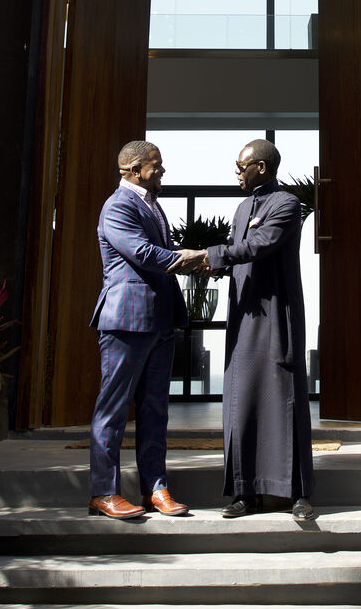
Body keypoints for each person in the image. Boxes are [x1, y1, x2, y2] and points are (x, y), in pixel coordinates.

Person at [177, 138, 314, 522]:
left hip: (275, 315)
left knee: (284, 399)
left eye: (241, 166)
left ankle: (298, 493)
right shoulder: (241, 208)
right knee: (240, 403)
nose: (236, 172)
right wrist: (210, 265)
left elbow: (259, 245)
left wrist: (208, 255)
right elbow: (239, 252)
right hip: (244, 316)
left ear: (262, 169)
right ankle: (244, 492)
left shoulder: (286, 204)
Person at [87, 139, 192, 522]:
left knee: (155, 410)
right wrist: (191, 258)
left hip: (160, 320)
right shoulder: (117, 206)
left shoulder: (152, 204)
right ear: (133, 170)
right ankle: (104, 492)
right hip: (126, 321)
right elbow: (143, 253)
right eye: (155, 165)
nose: (161, 170)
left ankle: (155, 487)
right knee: (113, 410)